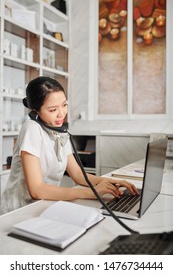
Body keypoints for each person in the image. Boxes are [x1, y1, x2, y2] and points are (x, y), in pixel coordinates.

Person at [0, 76, 138, 214]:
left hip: (44, 205)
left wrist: (110, 182)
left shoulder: (59, 131)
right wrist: (92, 192)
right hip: (18, 211)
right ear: (35, 111)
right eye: (53, 110)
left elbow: (77, 174)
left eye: (64, 105)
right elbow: (37, 190)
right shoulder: (31, 128)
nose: (62, 114)